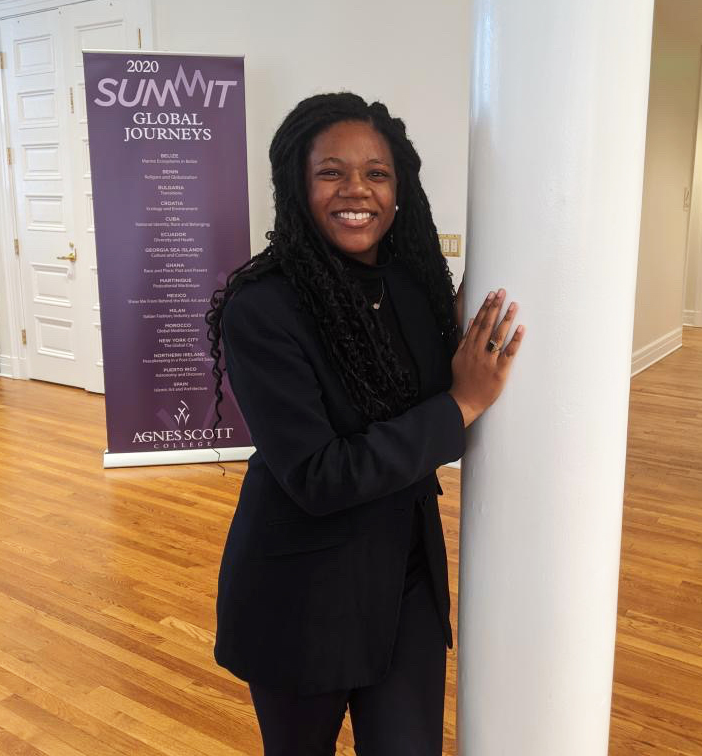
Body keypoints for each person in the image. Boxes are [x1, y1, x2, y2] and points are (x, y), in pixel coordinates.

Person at [205, 92, 525, 756]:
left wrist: (461, 329)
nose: (357, 190)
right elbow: (320, 475)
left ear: (399, 187)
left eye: (376, 172)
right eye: (332, 172)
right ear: (297, 184)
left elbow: (422, 392)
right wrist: (460, 406)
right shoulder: (263, 309)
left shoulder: (410, 290)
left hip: (406, 578)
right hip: (302, 594)